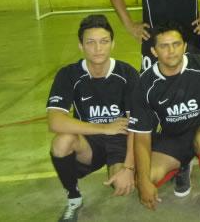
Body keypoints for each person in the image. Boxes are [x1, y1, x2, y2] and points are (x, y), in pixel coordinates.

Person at [128, 23, 200, 222]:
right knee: (144, 178)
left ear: (185, 46)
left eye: (176, 44)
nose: (171, 51)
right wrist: (143, 181)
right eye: (164, 46)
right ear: (153, 51)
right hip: (173, 137)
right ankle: (181, 166)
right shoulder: (145, 84)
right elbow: (141, 137)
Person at [46, 15, 138, 222]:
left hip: (122, 139)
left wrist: (129, 167)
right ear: (81, 46)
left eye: (104, 41)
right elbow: (55, 121)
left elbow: (137, 126)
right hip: (90, 141)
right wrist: (104, 128)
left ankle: (175, 168)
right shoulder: (69, 74)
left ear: (113, 44)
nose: (98, 48)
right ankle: (73, 197)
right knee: (61, 142)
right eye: (91, 42)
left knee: (131, 184)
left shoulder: (127, 73)